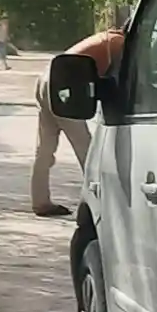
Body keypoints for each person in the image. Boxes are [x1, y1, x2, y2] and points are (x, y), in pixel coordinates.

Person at [32, 24, 125, 217]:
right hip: (63, 87)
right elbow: (119, 78)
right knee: (87, 150)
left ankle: (40, 202)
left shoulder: (103, 38)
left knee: (45, 151)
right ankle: (101, 204)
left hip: (46, 79)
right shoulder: (118, 43)